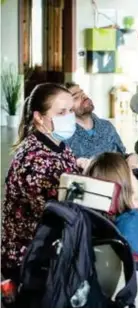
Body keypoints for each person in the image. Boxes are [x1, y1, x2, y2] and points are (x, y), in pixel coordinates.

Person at [2, 83, 80, 282]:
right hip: (30, 257)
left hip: (52, 248)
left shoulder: (59, 145)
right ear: (39, 117)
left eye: (71, 110)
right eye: (62, 112)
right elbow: (60, 211)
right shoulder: (33, 159)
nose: (69, 117)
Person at [63, 82, 138, 169]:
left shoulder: (107, 127)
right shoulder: (65, 136)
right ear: (65, 108)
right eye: (76, 97)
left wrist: (132, 158)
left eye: (83, 93)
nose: (84, 97)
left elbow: (122, 156)